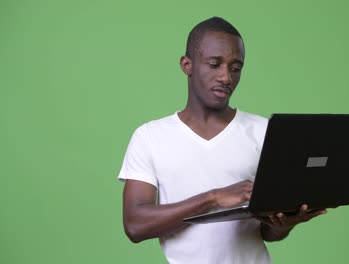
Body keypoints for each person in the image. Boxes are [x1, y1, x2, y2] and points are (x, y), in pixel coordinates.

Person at [118, 17, 327, 264]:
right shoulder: (150, 137)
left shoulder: (264, 131)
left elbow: (267, 233)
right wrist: (213, 198)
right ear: (187, 65)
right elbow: (135, 225)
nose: (226, 77)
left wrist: (284, 224)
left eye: (235, 67)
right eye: (214, 64)